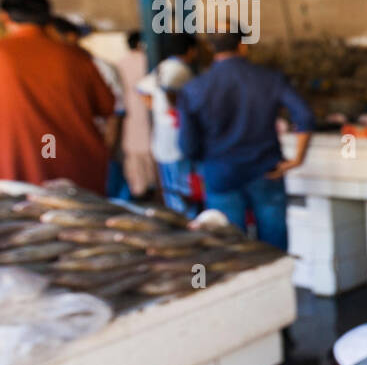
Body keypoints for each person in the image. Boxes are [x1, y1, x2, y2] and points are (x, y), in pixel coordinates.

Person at [176, 30, 314, 249]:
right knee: (273, 244)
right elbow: (305, 116)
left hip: (221, 173)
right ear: (243, 46)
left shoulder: (194, 88)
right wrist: (297, 159)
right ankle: (275, 281)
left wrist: (206, 163)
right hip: (267, 170)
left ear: (212, 49)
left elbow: (187, 145)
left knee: (229, 245)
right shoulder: (270, 79)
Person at [0, 0, 115, 192]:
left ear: (5, 17)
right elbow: (106, 107)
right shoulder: (77, 57)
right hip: (76, 170)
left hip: (15, 170)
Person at [50, 16, 128, 197]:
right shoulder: (56, 67)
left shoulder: (99, 67)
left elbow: (115, 114)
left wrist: (106, 152)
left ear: (71, 37)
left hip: (96, 150)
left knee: (103, 201)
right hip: (66, 151)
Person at [138, 32, 201, 215]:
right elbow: (170, 90)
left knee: (171, 188)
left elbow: (141, 89)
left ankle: (177, 220)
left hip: (162, 137)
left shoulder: (162, 66)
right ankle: (186, 226)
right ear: (191, 50)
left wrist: (158, 109)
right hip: (177, 138)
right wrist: (174, 110)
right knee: (184, 189)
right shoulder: (181, 70)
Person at [116, 31, 155, 199]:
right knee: (150, 158)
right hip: (148, 118)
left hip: (128, 118)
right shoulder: (149, 61)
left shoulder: (119, 64)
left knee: (134, 161)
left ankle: (138, 192)